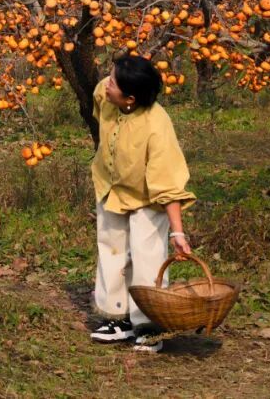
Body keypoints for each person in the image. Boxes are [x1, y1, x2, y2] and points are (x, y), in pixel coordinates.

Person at [87, 55, 196, 353]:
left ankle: (149, 326)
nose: (106, 84)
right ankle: (119, 318)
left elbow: (168, 182)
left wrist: (177, 233)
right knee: (111, 251)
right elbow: (99, 104)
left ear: (131, 98)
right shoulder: (106, 95)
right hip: (111, 188)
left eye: (113, 82)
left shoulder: (156, 125)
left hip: (148, 198)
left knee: (148, 258)